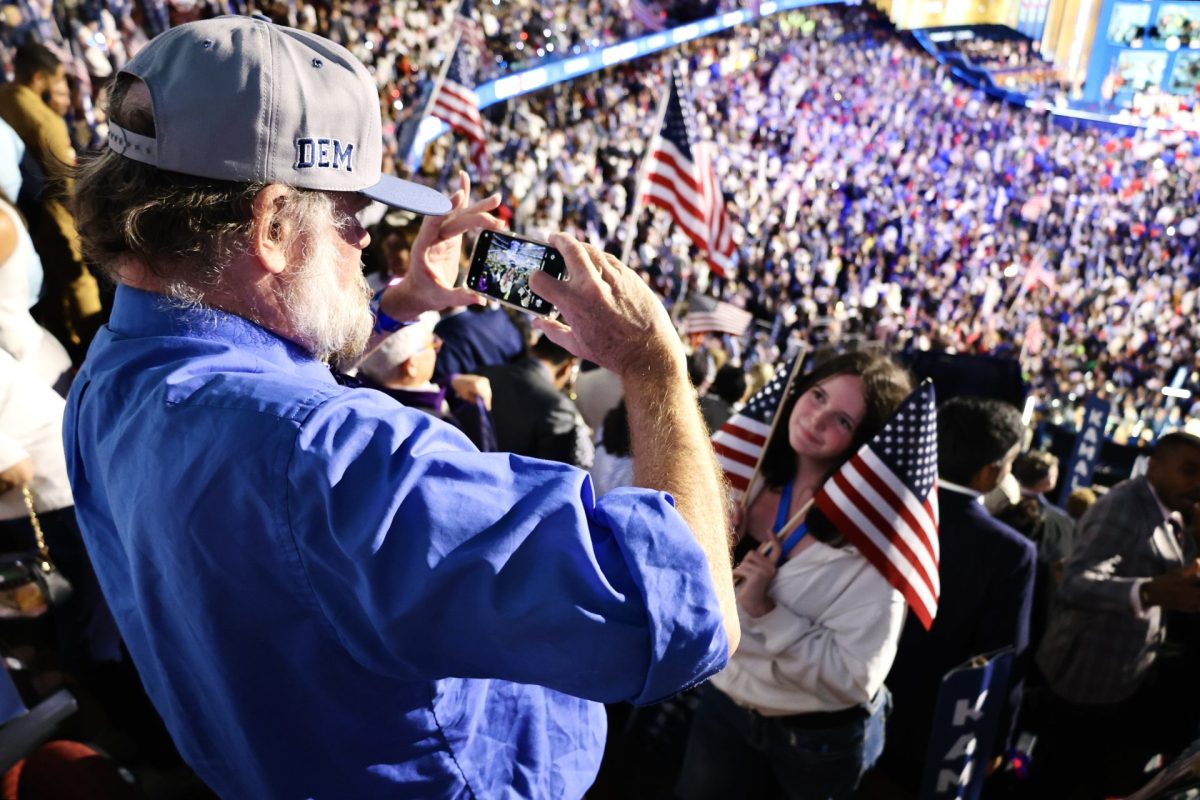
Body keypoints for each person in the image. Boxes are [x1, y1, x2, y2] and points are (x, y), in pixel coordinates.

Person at [64, 17, 738, 799]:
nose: (365, 238)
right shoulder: (342, 461)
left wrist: (399, 306)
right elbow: (691, 614)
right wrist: (653, 365)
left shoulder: (107, 377)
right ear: (274, 225)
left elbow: (260, 386)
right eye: (355, 214)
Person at [675, 351, 914, 800]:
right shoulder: (748, 474)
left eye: (843, 420)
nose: (816, 418)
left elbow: (855, 677)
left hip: (812, 736)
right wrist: (716, 545)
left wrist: (766, 610)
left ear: (864, 442)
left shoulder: (870, 544)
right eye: (817, 395)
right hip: (725, 697)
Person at [871, 396, 1035, 796]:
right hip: (928, 733)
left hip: (842, 705)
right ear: (990, 473)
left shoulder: (874, 504)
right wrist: (995, 743)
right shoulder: (1010, 552)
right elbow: (1001, 661)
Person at [1032, 431, 1200, 798]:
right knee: (1061, 780)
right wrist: (1149, 591)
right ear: (1154, 465)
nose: (1197, 483)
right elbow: (1075, 583)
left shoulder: (1168, 508)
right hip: (1083, 683)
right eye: (1189, 470)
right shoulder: (1123, 507)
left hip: (1119, 679)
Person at [0, 43, 101, 360]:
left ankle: (63, 336)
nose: (60, 86)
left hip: (27, 215)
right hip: (55, 214)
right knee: (79, 283)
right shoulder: (48, 123)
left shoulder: (5, 96)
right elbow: (66, 184)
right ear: (38, 78)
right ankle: (91, 347)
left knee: (53, 287)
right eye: (56, 79)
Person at [477, 333, 594, 469]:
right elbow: (555, 473)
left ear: (533, 348)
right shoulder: (558, 406)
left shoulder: (484, 375)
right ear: (567, 367)